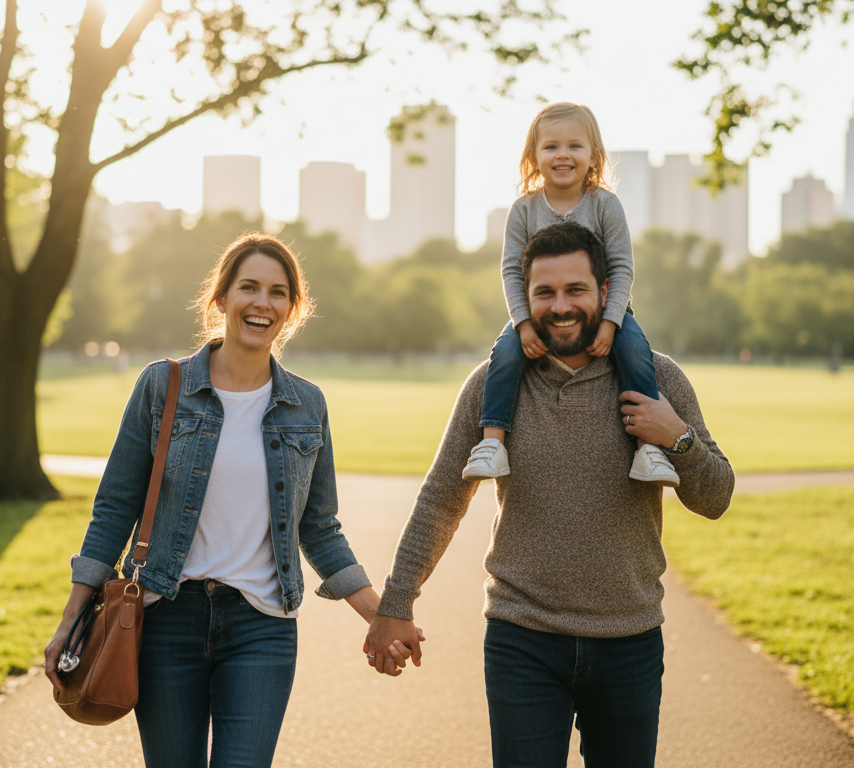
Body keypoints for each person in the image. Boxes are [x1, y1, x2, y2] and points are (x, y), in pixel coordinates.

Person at [365, 222, 735, 767]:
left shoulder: (658, 378)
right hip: (522, 639)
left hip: (629, 641)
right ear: (524, 298)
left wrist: (675, 436)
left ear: (605, 292)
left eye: (575, 290)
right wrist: (396, 603)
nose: (561, 307)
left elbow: (716, 498)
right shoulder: (493, 384)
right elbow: (442, 498)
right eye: (545, 292)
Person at [45, 233, 414, 767]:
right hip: (165, 619)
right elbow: (115, 508)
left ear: (292, 309)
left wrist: (380, 615)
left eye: (278, 292)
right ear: (220, 297)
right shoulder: (162, 386)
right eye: (249, 287)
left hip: (261, 627)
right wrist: (70, 620)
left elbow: (319, 527)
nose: (263, 303)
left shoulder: (307, 405)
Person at [463, 102, 679, 488]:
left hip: (609, 313)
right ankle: (492, 443)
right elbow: (511, 270)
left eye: (574, 146)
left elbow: (621, 267)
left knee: (634, 351)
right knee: (506, 353)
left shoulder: (605, 204)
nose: (562, 154)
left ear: (593, 156)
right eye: (551, 147)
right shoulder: (524, 209)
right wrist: (522, 324)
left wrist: (611, 323)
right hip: (535, 316)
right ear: (534, 157)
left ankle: (648, 449)